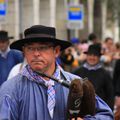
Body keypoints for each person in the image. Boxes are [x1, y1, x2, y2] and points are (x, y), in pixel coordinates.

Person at [0, 25, 114, 120]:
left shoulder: (76, 84)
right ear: (24, 52)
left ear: (56, 51)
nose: (36, 53)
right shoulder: (11, 90)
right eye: (30, 48)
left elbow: (106, 115)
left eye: (42, 48)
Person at [73, 44, 114, 110]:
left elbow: (110, 95)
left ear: (99, 57)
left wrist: (108, 112)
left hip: (99, 110)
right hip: (81, 110)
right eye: (90, 55)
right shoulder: (77, 72)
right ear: (87, 56)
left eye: (95, 55)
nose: (92, 57)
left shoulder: (105, 74)